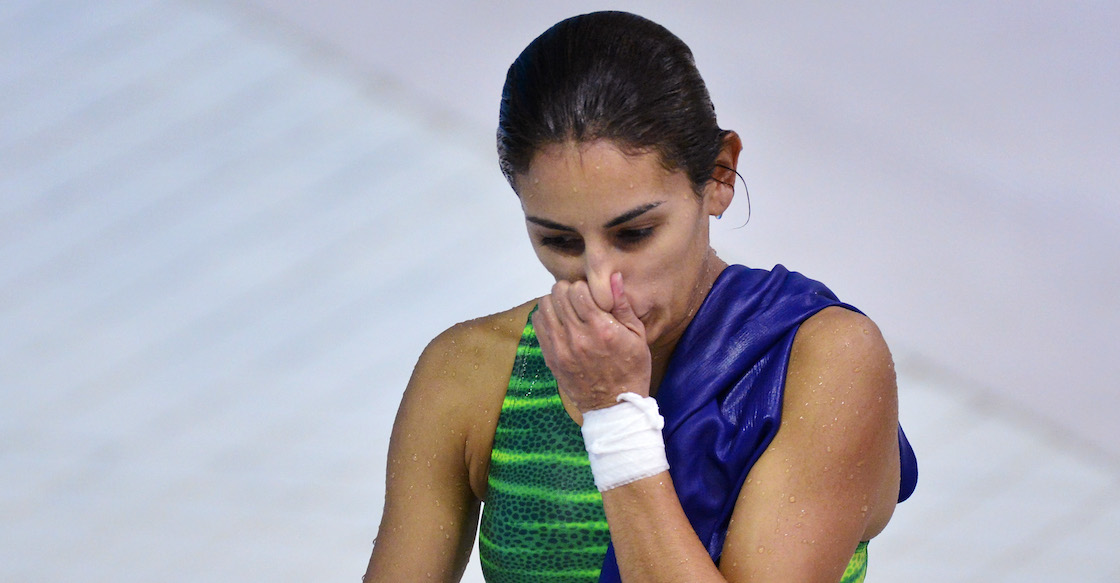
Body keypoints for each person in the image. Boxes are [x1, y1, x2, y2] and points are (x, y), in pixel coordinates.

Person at [365, 10, 917, 583]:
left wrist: (614, 424)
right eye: (559, 240)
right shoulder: (470, 371)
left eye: (635, 234)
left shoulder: (823, 363)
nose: (601, 282)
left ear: (720, 175)